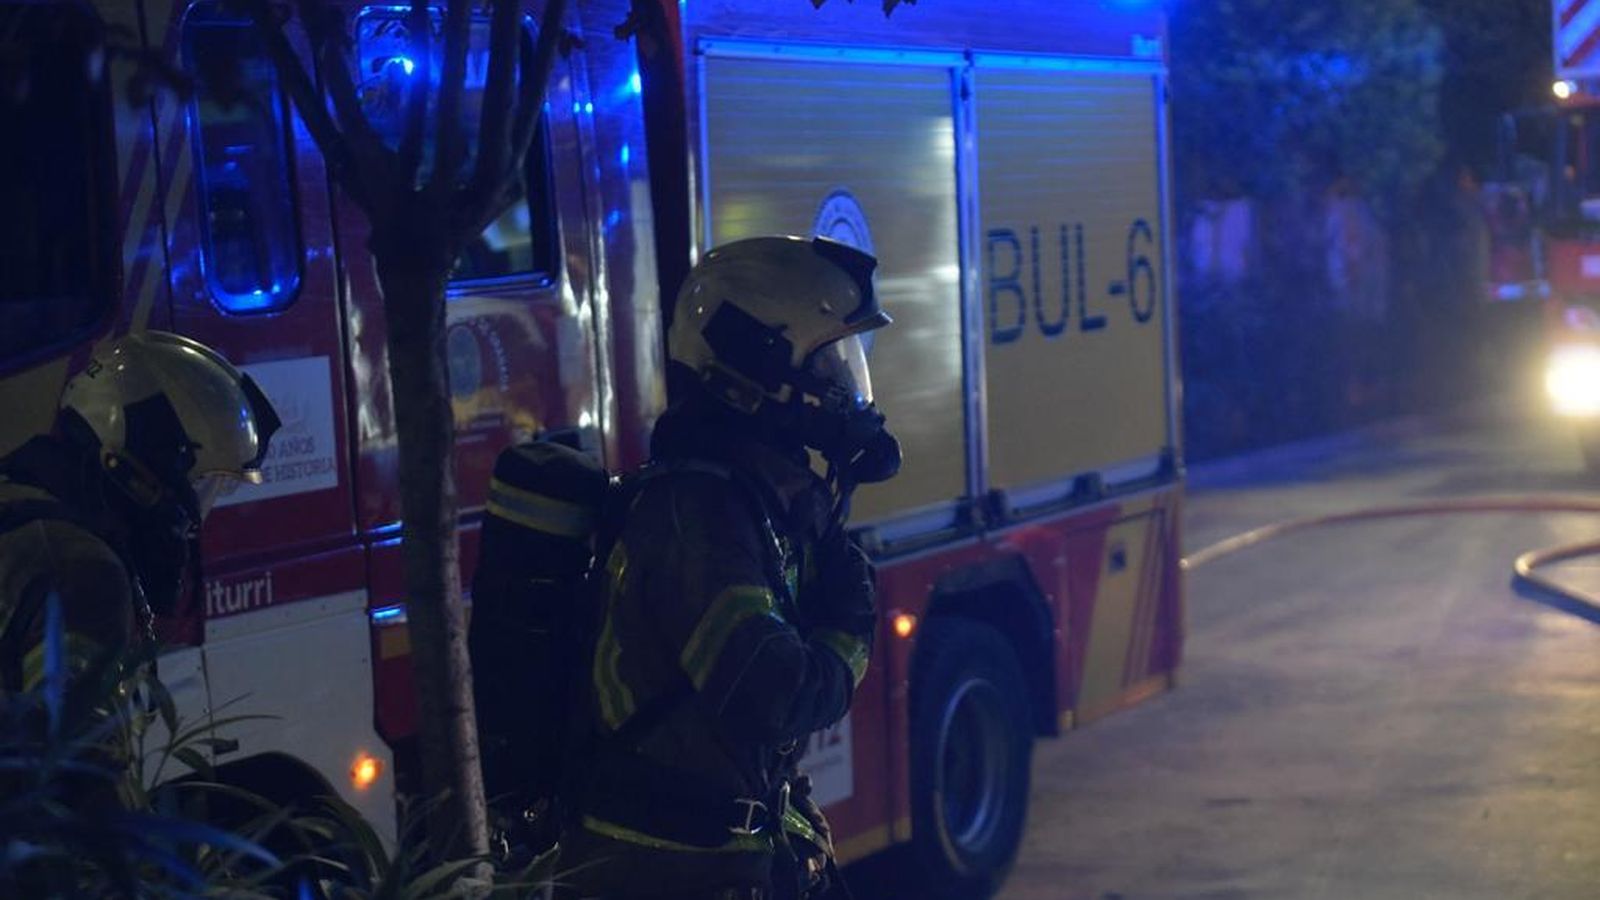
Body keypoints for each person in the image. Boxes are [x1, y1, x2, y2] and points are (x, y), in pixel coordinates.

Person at [550, 236, 901, 900]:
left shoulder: (752, 499)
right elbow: (776, 693)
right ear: (753, 368)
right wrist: (849, 628)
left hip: (720, 864)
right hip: (666, 876)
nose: (843, 391)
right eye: (828, 367)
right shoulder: (697, 517)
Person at [0, 330, 279, 695]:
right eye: (200, 484)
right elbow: (77, 748)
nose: (192, 519)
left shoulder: (18, 501)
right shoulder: (83, 573)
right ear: (138, 476)